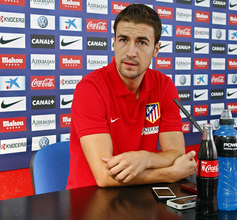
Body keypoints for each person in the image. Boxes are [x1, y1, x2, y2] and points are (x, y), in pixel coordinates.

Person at [66, 3, 197, 189]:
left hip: (142, 198)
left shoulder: (164, 86)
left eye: (142, 42)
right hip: (91, 200)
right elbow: (105, 177)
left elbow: (176, 153)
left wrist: (145, 158)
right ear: (114, 42)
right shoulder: (90, 89)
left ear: (156, 49)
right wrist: (168, 174)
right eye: (123, 40)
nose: (130, 52)